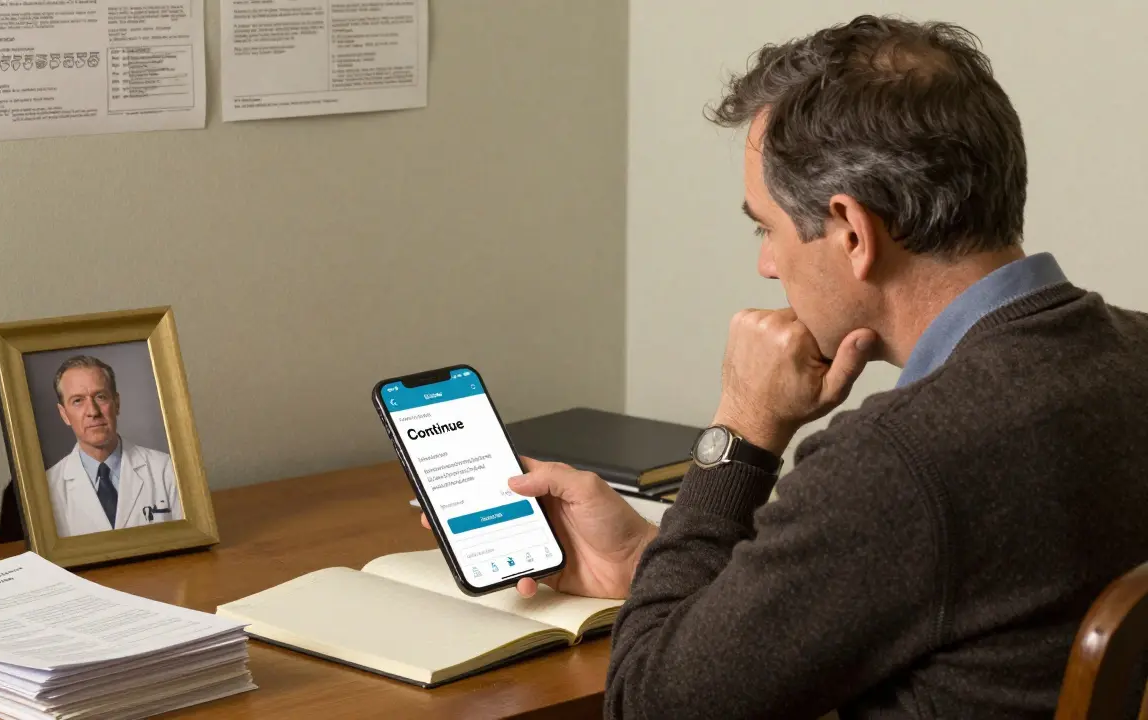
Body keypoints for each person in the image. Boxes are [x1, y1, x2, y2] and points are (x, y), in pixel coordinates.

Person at [425, 15, 1148, 719]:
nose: (767, 265)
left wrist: (741, 426)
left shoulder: (898, 464)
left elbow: (649, 701)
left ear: (854, 232)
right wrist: (653, 560)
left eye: (766, 228)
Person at [46, 355, 182, 538]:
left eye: (100, 397)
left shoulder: (167, 470)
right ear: (64, 414)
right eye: (78, 401)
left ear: (116, 403)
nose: (93, 412)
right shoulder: (47, 488)